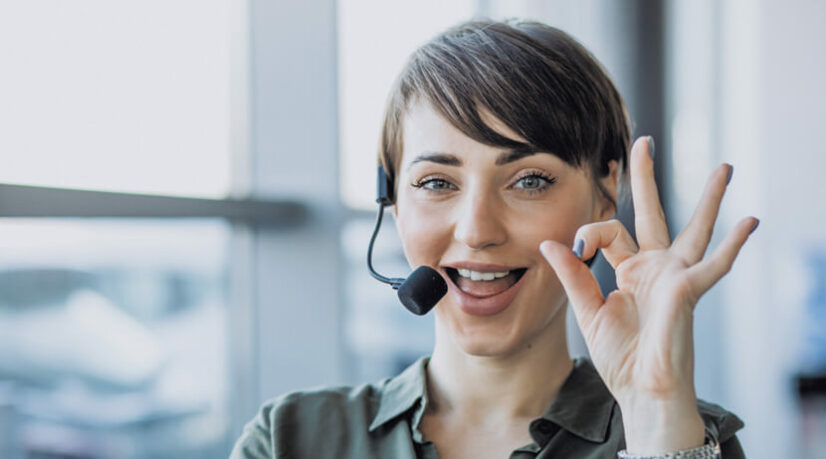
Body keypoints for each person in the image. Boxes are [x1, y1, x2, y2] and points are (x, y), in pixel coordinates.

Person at [231, 19, 755, 458]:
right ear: (391, 201)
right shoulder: (288, 440)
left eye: (529, 181)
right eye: (437, 183)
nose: (477, 231)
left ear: (605, 193)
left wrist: (656, 416)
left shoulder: (689, 435)